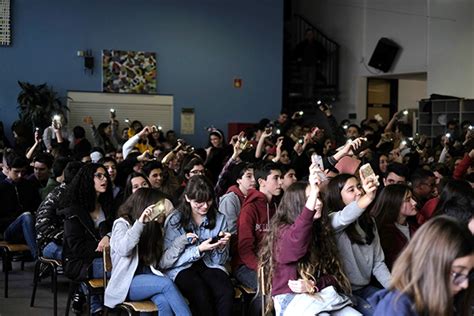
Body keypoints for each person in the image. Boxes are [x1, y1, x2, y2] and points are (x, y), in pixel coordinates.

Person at [260, 165, 359, 315]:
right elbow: (296, 246)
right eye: (311, 199)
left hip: (319, 295)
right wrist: (312, 197)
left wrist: (314, 284)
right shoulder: (282, 230)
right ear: (297, 205)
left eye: (318, 197)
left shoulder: (320, 229)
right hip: (290, 299)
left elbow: (334, 276)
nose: (318, 202)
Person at [104, 188, 191, 316]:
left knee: (164, 302)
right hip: (126, 283)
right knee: (166, 284)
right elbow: (124, 249)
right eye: (158, 207)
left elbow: (160, 262)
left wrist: (182, 241)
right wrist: (140, 223)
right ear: (146, 206)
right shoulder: (122, 224)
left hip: (147, 280)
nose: (162, 211)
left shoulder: (154, 228)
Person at [370, 216, 474, 316]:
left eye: (469, 273)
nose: (465, 284)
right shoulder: (396, 308)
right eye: (457, 273)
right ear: (429, 265)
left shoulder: (454, 298)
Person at [162, 175, 234, 316]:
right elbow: (166, 262)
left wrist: (221, 247)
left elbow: (219, 261)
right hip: (181, 267)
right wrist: (198, 250)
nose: (205, 206)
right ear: (188, 198)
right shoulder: (175, 220)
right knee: (200, 293)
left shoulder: (219, 218)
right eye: (199, 202)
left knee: (226, 290)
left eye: (209, 201)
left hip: (209, 264)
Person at [325, 172, 388, 315]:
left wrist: (396, 289)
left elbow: (378, 263)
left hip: (365, 287)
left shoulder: (368, 221)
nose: (359, 192)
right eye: (351, 190)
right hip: (341, 291)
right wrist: (369, 197)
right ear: (337, 196)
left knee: (396, 307)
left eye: (359, 187)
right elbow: (345, 217)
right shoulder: (331, 221)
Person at [60, 163, 114, 315]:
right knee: (124, 269)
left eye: (105, 176)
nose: (105, 179)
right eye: (99, 176)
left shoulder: (107, 205)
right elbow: (77, 247)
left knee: (125, 266)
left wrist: (108, 237)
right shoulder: (74, 210)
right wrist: (103, 247)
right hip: (78, 261)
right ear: (87, 180)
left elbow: (116, 230)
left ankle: (94, 302)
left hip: (103, 257)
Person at [232, 161, 282, 291]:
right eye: (276, 178)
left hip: (273, 262)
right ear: (262, 182)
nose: (280, 182)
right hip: (246, 265)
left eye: (281, 178)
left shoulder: (279, 206)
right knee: (269, 288)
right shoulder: (250, 209)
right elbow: (245, 250)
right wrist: (263, 268)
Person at [36, 161, 82, 260]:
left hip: (70, 242)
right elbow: (42, 224)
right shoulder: (58, 194)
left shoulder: (78, 194)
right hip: (49, 243)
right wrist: (66, 237)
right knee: (78, 259)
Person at [0, 152, 40, 260]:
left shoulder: (28, 185)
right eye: (16, 172)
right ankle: (39, 259)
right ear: (7, 169)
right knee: (26, 216)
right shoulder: (2, 187)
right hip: (9, 230)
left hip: (29, 226)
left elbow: (37, 206)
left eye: (23, 172)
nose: (20, 175)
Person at [371, 184, 418, 270]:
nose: (414, 202)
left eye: (412, 198)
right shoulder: (384, 233)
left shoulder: (414, 227)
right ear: (395, 203)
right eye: (408, 200)